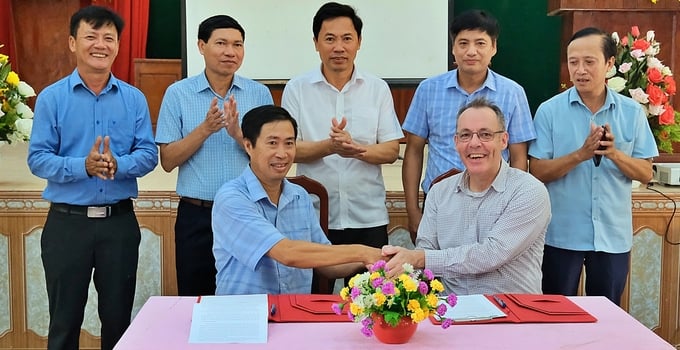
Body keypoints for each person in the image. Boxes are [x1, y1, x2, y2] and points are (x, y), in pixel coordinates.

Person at [27, 6, 158, 350]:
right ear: (72, 43)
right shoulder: (52, 99)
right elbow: (38, 159)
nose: (100, 44)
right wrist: (81, 166)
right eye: (91, 36)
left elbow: (148, 153)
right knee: (64, 323)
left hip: (119, 224)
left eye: (108, 38)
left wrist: (121, 165)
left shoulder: (134, 99)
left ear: (117, 46)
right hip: (67, 225)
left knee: (118, 322)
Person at [528, 27, 657, 306]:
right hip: (561, 235)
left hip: (612, 236)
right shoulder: (549, 111)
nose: (580, 70)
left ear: (610, 64)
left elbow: (646, 173)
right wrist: (581, 154)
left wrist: (613, 154)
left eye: (589, 61)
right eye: (573, 62)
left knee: (608, 316)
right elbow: (536, 171)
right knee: (557, 315)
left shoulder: (632, 112)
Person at [155, 15, 273, 296]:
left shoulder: (259, 94)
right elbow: (168, 160)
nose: (230, 52)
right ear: (201, 46)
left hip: (249, 212)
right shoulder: (178, 94)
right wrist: (206, 129)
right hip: (197, 215)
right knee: (196, 297)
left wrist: (237, 134)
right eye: (221, 43)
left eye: (238, 44)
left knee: (250, 296)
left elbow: (272, 161)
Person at [382, 98, 550, 295]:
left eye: (485, 134)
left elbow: (491, 254)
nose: (474, 143)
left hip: (512, 314)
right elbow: (424, 256)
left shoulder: (528, 191)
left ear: (504, 140)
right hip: (450, 314)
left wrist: (419, 258)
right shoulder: (439, 192)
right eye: (465, 135)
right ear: (456, 142)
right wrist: (389, 269)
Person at [281, 2, 403, 271]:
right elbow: (288, 150)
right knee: (311, 304)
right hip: (312, 215)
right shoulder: (297, 89)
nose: (339, 47)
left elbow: (391, 150)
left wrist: (356, 150)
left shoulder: (377, 89)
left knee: (371, 304)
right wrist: (330, 147)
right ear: (316, 43)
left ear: (359, 42)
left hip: (367, 216)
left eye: (347, 38)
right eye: (330, 39)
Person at [212, 105, 385, 295]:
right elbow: (287, 253)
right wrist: (362, 252)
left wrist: (381, 256)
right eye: (272, 143)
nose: (282, 153)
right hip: (245, 316)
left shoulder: (300, 196)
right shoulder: (231, 198)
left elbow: (328, 265)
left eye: (289, 143)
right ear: (248, 146)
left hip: (294, 315)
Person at [401, 9, 536, 242]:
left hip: (494, 200)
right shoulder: (428, 89)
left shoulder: (512, 93)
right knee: (437, 270)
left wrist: (512, 203)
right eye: (463, 43)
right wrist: (413, 211)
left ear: (493, 48)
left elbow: (518, 157)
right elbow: (413, 151)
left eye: (480, 43)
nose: (471, 51)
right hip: (439, 199)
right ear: (453, 48)